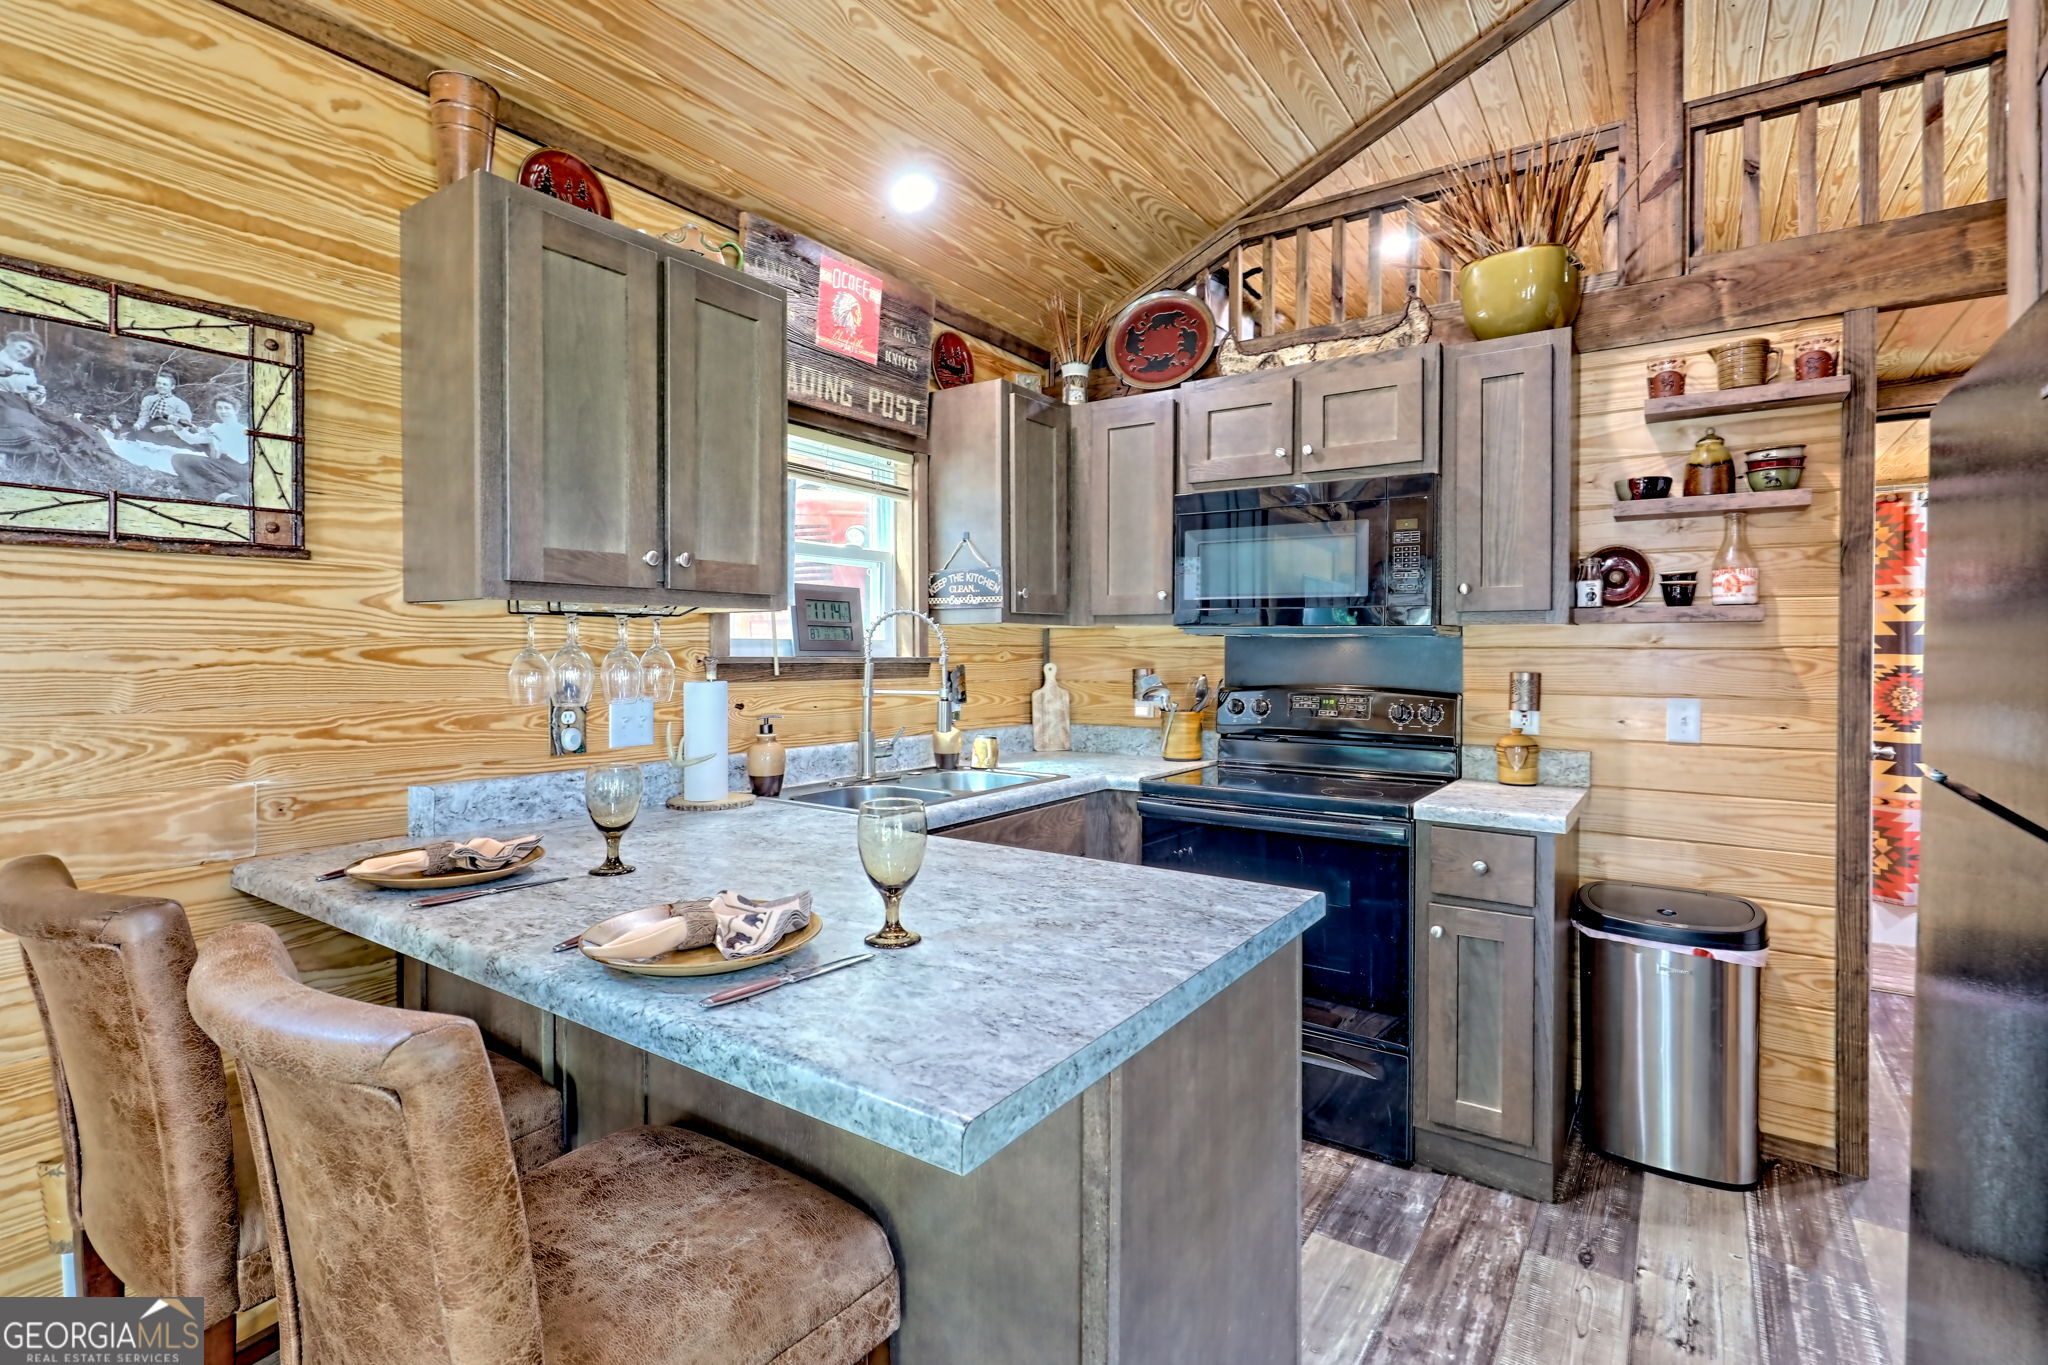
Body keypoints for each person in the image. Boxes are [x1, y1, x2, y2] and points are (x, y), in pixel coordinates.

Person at [171, 396, 250, 503]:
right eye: (219, 408)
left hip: (239, 468)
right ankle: (214, 492)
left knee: (198, 462)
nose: (223, 411)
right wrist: (178, 428)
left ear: (235, 410)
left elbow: (242, 458)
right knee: (178, 459)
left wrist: (217, 444)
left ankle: (229, 490)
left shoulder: (243, 430)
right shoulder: (216, 427)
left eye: (227, 408)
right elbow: (192, 439)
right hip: (220, 464)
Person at [135, 370, 193, 437]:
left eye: (165, 384)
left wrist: (165, 428)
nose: (161, 386)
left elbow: (186, 425)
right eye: (158, 383)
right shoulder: (148, 399)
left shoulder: (180, 404)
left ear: (172, 387)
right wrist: (139, 425)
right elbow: (144, 416)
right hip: (149, 431)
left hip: (171, 435)